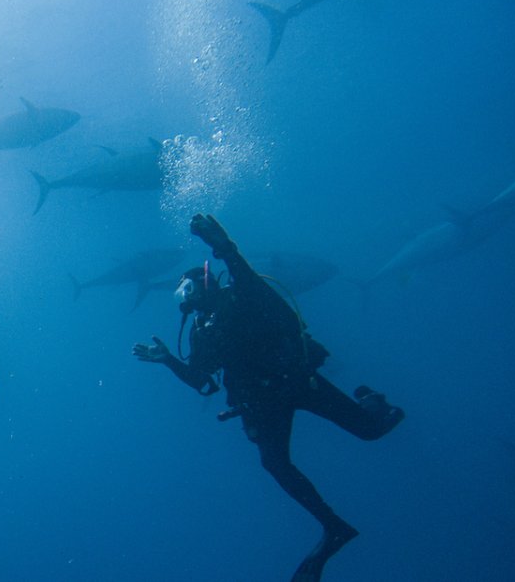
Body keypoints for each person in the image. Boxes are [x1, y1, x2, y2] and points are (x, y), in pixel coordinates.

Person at [133, 214, 405, 582]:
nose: (185, 295)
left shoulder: (242, 295)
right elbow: (200, 378)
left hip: (296, 380)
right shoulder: (201, 331)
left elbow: (242, 271)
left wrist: (223, 244)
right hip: (261, 404)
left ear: (207, 283)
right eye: (181, 291)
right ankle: (333, 527)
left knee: (373, 431)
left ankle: (371, 400)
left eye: (189, 286)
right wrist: (167, 361)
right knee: (275, 465)